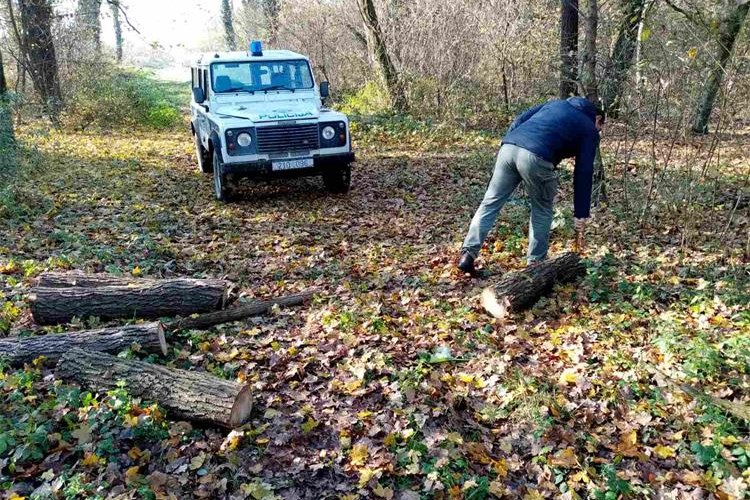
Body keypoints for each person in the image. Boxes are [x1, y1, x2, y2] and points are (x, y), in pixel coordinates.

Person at [457, 96, 604, 274]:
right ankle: (535, 266)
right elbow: (584, 170)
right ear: (597, 118)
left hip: (509, 147)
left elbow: (519, 119)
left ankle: (468, 254)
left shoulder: (554, 104)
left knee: (490, 202)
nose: (600, 130)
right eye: (601, 125)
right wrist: (581, 212)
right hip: (536, 157)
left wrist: (509, 142)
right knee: (542, 209)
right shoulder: (589, 129)